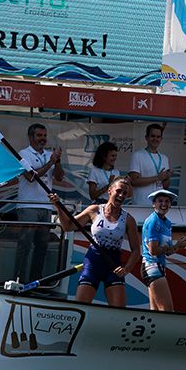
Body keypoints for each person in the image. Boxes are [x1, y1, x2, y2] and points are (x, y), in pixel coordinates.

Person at [48, 177, 139, 307]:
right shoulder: (94, 210)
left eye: (124, 193)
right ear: (110, 191)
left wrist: (126, 269)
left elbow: (136, 250)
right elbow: (68, 226)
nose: (121, 195)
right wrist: (58, 206)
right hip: (93, 263)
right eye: (118, 191)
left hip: (113, 266)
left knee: (119, 311)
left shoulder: (129, 220)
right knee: (81, 307)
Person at [14, 123, 64, 282]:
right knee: (25, 246)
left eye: (44, 136)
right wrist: (50, 162)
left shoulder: (49, 154)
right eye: (39, 136)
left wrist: (57, 161)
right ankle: (18, 281)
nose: (43, 139)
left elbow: (59, 177)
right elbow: (30, 177)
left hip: (46, 206)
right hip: (28, 205)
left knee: (42, 247)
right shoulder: (23, 154)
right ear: (31, 137)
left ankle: (36, 281)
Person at [141, 188, 186, 311]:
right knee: (166, 310)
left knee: (155, 311)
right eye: (160, 201)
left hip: (159, 266)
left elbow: (168, 252)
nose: (164, 204)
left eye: (167, 201)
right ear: (153, 204)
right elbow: (153, 251)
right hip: (152, 266)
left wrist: (179, 245)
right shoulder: (153, 220)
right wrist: (176, 246)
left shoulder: (167, 223)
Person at [128, 123, 171, 199]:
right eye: (152, 136)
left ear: (161, 139)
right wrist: (157, 178)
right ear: (146, 137)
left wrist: (167, 177)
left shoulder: (164, 158)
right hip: (141, 203)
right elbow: (134, 181)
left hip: (158, 203)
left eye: (158, 137)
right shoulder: (137, 155)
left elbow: (165, 186)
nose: (155, 139)